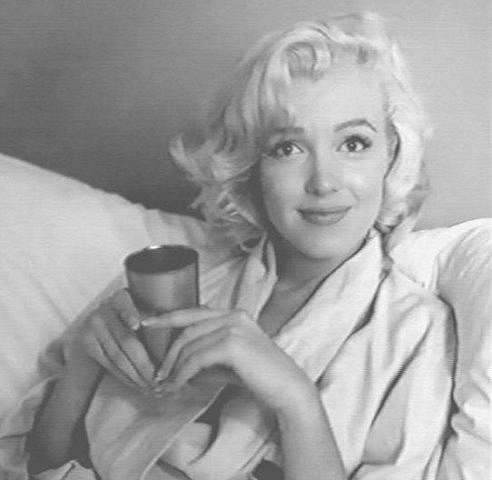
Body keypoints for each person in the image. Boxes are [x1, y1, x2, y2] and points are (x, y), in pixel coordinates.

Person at [1, 11, 454, 480]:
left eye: (354, 144)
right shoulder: (172, 285)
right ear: (252, 169)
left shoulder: (416, 335)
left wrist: (296, 402)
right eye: (288, 148)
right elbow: (40, 464)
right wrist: (82, 365)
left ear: (392, 156)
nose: (323, 182)